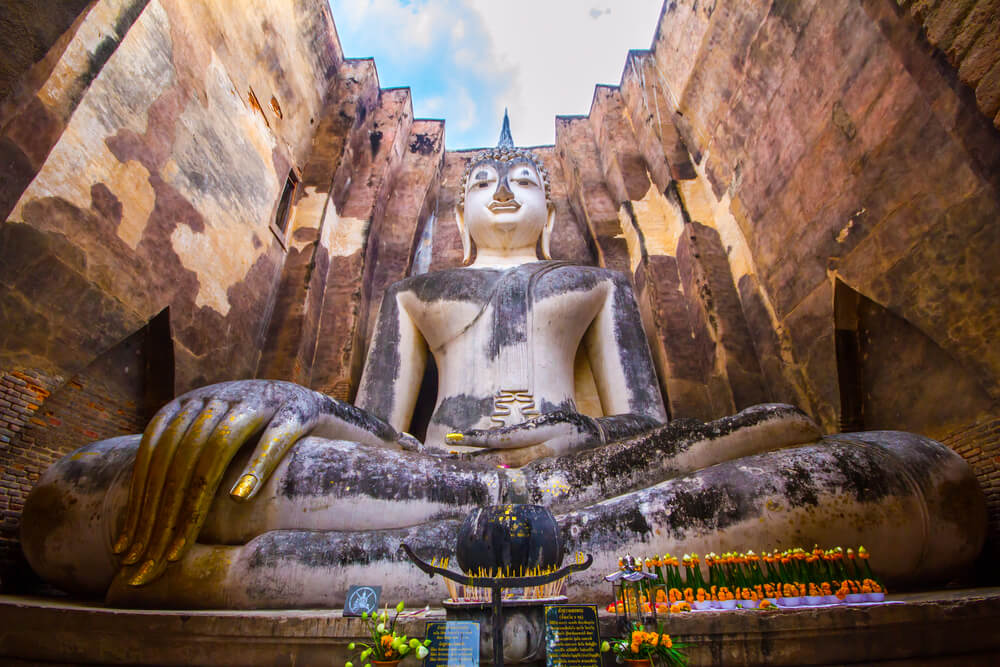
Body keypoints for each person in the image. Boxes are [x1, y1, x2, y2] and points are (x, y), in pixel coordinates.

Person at [22, 125, 985, 608]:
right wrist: (279, 400)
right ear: (457, 207)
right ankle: (591, 572)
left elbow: (651, 426)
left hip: (595, 478)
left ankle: (333, 577)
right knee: (88, 486)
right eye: (485, 180)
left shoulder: (590, 282)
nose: (505, 189)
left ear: (554, 201)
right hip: (420, 478)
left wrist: (577, 436)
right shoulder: (420, 291)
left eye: (525, 178)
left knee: (906, 473)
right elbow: (375, 429)